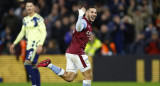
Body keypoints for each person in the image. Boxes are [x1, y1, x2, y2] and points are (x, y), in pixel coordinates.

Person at [37, 6, 97, 86]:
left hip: (70, 52)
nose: (94, 14)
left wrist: (85, 38)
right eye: (92, 12)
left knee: (69, 77)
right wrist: (80, 15)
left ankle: (49, 65)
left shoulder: (87, 23)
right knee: (88, 76)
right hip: (77, 53)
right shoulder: (83, 21)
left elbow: (78, 33)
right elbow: (78, 28)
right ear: (86, 13)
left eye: (95, 12)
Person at [9, 0, 47, 86]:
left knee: (27, 63)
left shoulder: (39, 19)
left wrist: (40, 44)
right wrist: (14, 43)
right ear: (26, 8)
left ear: (34, 7)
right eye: (27, 6)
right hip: (29, 46)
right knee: (33, 66)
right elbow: (22, 32)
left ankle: (33, 84)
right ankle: (37, 85)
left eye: (31, 6)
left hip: (35, 45)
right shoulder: (25, 20)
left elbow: (44, 32)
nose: (29, 8)